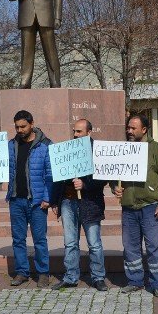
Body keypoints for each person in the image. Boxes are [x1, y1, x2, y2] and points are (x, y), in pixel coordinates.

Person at [49, 119, 108, 291]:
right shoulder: (67, 149)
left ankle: (98, 277)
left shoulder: (97, 151)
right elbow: (58, 178)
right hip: (68, 202)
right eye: (74, 131)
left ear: (89, 132)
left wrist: (85, 185)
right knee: (70, 242)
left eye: (79, 132)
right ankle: (71, 276)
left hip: (90, 203)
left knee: (94, 243)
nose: (75, 134)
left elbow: (103, 179)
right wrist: (55, 200)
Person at [115, 115, 158, 297]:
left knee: (155, 245)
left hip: (151, 206)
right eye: (128, 128)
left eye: (133, 128)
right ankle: (135, 280)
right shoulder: (122, 149)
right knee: (130, 246)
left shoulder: (157, 149)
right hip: (129, 207)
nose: (129, 131)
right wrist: (115, 186)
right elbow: (112, 174)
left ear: (144, 129)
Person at [7, 110, 54, 287]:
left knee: (39, 239)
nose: (19, 130)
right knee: (18, 239)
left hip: (37, 202)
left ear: (32, 124)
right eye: (17, 127)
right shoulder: (11, 145)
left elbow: (50, 175)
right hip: (16, 199)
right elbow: (4, 168)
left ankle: (43, 273)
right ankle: (21, 272)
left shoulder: (45, 145)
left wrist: (48, 198)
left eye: (23, 126)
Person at [7, 0, 63, 88]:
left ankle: (55, 82)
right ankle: (25, 82)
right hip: (27, 16)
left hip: (46, 15)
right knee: (26, 52)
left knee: (51, 51)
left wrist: (58, 17)